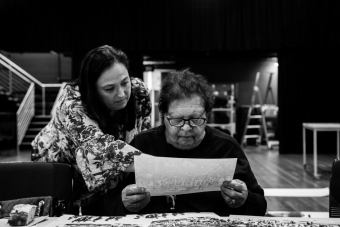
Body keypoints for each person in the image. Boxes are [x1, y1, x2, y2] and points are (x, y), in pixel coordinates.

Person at [120, 69, 267, 216]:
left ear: (207, 115)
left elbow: (260, 205)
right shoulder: (142, 146)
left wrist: (244, 200)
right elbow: (109, 202)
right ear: (164, 116)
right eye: (177, 120)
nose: (186, 128)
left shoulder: (226, 148)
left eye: (196, 119)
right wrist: (125, 203)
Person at [31, 45, 151, 215]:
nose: (122, 94)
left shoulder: (139, 92)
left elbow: (143, 138)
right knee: (60, 217)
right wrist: (155, 165)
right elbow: (99, 149)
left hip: (106, 176)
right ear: (92, 89)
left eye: (125, 83)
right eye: (109, 89)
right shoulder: (73, 101)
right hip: (58, 167)